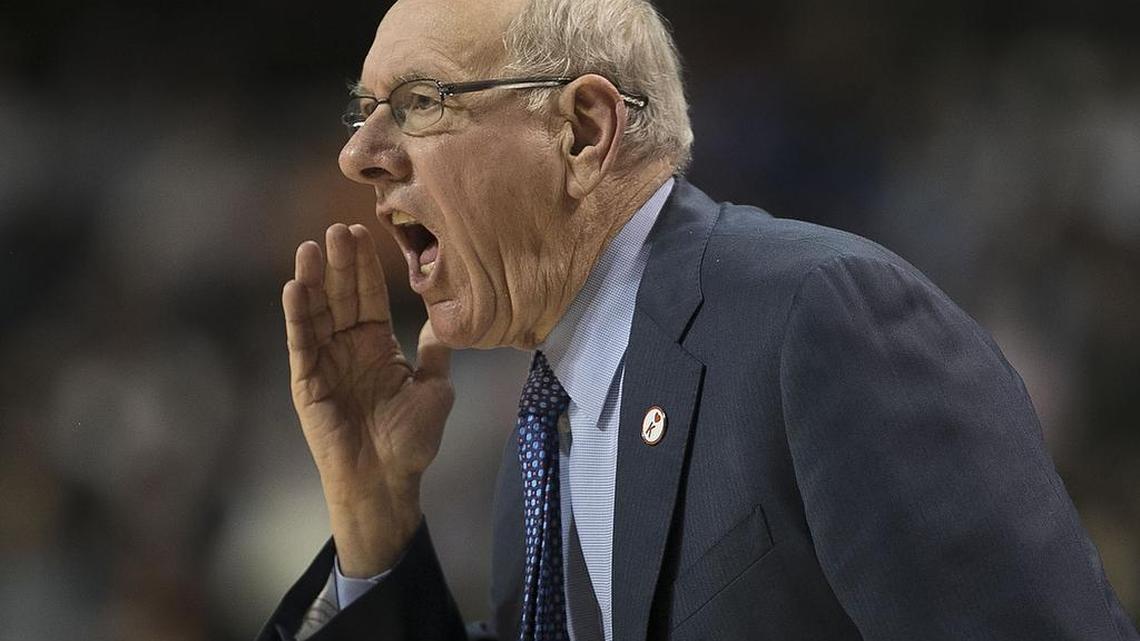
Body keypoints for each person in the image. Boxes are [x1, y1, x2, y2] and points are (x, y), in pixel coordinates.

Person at [258, 0, 1139, 639]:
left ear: (583, 131)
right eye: (363, 112)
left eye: (419, 103)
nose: (358, 154)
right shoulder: (541, 440)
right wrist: (373, 514)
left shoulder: (819, 318)